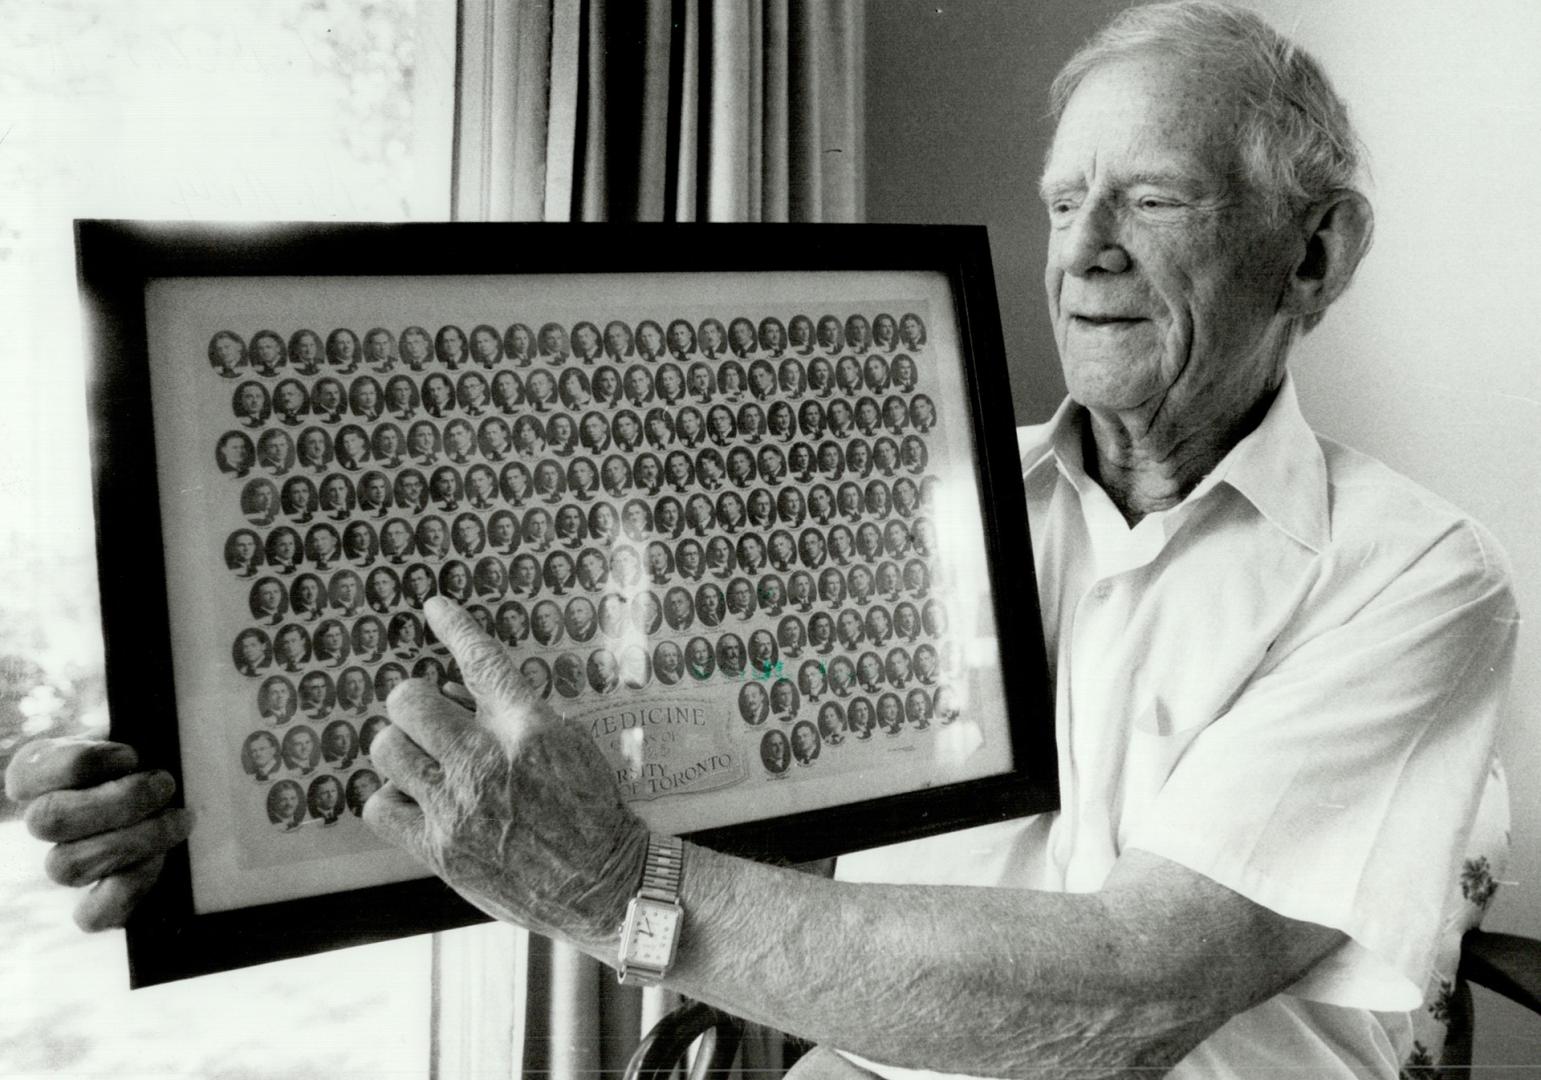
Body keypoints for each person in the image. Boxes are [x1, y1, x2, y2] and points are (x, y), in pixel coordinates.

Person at [11, 8, 1516, 1080]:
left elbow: (1129, 1002)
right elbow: (599, 709)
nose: (1081, 251)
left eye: (1155, 199)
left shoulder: (1414, 577)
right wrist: (202, 769)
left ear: (1314, 251)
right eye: (1064, 201)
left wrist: (620, 892)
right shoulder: (928, 499)